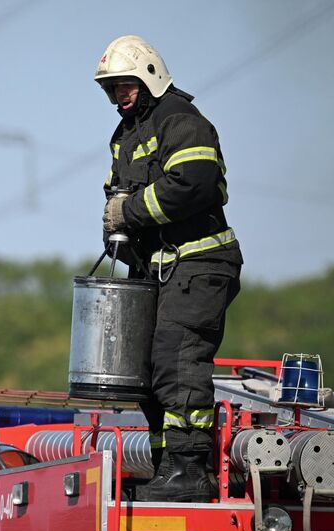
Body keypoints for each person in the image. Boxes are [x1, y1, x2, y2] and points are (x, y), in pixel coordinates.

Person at [96, 35, 242, 502]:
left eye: (126, 83)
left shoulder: (181, 120)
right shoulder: (125, 136)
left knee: (177, 362)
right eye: (113, 86)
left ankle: (190, 468)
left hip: (200, 261)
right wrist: (115, 228)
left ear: (149, 76)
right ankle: (166, 466)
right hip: (156, 269)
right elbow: (116, 198)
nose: (120, 92)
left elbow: (194, 185)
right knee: (143, 369)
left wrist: (130, 212)